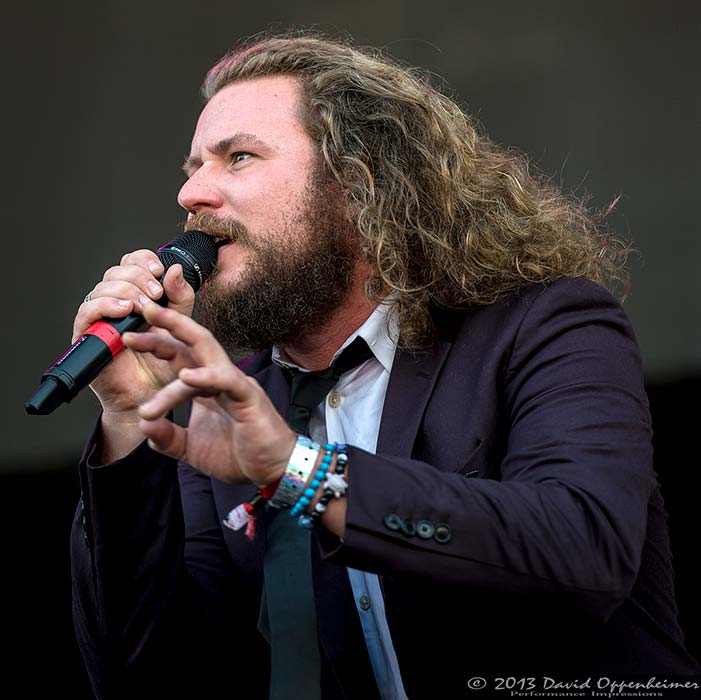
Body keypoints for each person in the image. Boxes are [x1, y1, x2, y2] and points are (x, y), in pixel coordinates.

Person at [69, 33, 699, 700]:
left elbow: (582, 552)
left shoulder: (544, 326)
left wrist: (301, 473)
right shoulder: (228, 399)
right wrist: (129, 416)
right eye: (193, 166)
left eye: (239, 158)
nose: (193, 192)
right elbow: (146, 674)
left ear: (359, 185)